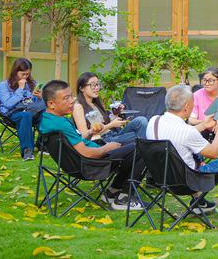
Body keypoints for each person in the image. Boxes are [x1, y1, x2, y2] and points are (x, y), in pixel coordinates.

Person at [39, 79, 143, 211]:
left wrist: (90, 133)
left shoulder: (48, 120)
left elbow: (75, 143)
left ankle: (113, 192)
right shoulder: (62, 124)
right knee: (140, 148)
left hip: (76, 162)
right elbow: (86, 153)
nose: (72, 100)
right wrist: (107, 148)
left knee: (133, 144)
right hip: (89, 165)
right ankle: (124, 198)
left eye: (71, 96)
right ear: (51, 104)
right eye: (66, 98)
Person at [147, 84, 218, 222]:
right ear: (186, 107)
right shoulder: (187, 131)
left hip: (162, 178)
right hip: (189, 181)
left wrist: (203, 125)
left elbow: (181, 135)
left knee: (192, 152)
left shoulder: (154, 121)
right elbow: (213, 153)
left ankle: (199, 201)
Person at [72, 71, 148, 144]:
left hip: (113, 134)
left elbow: (105, 123)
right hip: (102, 140)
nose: (97, 87)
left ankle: (143, 149)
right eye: (93, 85)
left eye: (98, 84)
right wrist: (111, 125)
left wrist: (116, 114)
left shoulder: (96, 103)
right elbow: (84, 135)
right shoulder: (78, 107)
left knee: (141, 120)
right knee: (139, 136)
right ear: (81, 88)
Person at [0, 58, 39, 161]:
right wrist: (20, 89)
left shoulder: (30, 83)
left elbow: (32, 101)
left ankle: (43, 145)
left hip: (29, 109)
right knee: (25, 116)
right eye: (22, 74)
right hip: (12, 113)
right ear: (15, 72)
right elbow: (8, 104)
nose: (25, 77)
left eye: (27, 74)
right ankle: (27, 151)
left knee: (45, 112)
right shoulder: (3, 86)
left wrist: (38, 96)